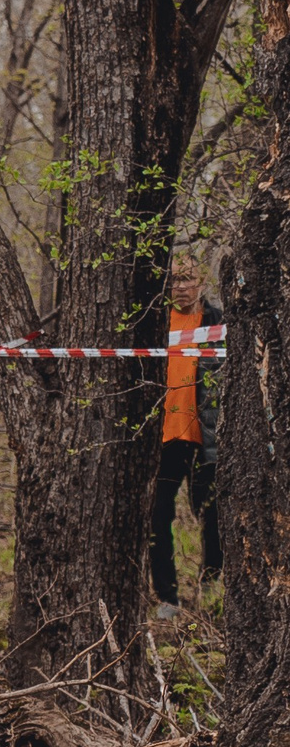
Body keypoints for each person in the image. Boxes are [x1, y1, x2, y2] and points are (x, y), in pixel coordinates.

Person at [151, 252, 222, 619]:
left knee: (209, 513)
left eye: (187, 278)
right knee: (158, 515)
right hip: (162, 437)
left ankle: (212, 583)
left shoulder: (217, 321)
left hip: (205, 436)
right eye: (174, 279)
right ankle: (168, 597)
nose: (180, 286)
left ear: (202, 282)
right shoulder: (153, 321)